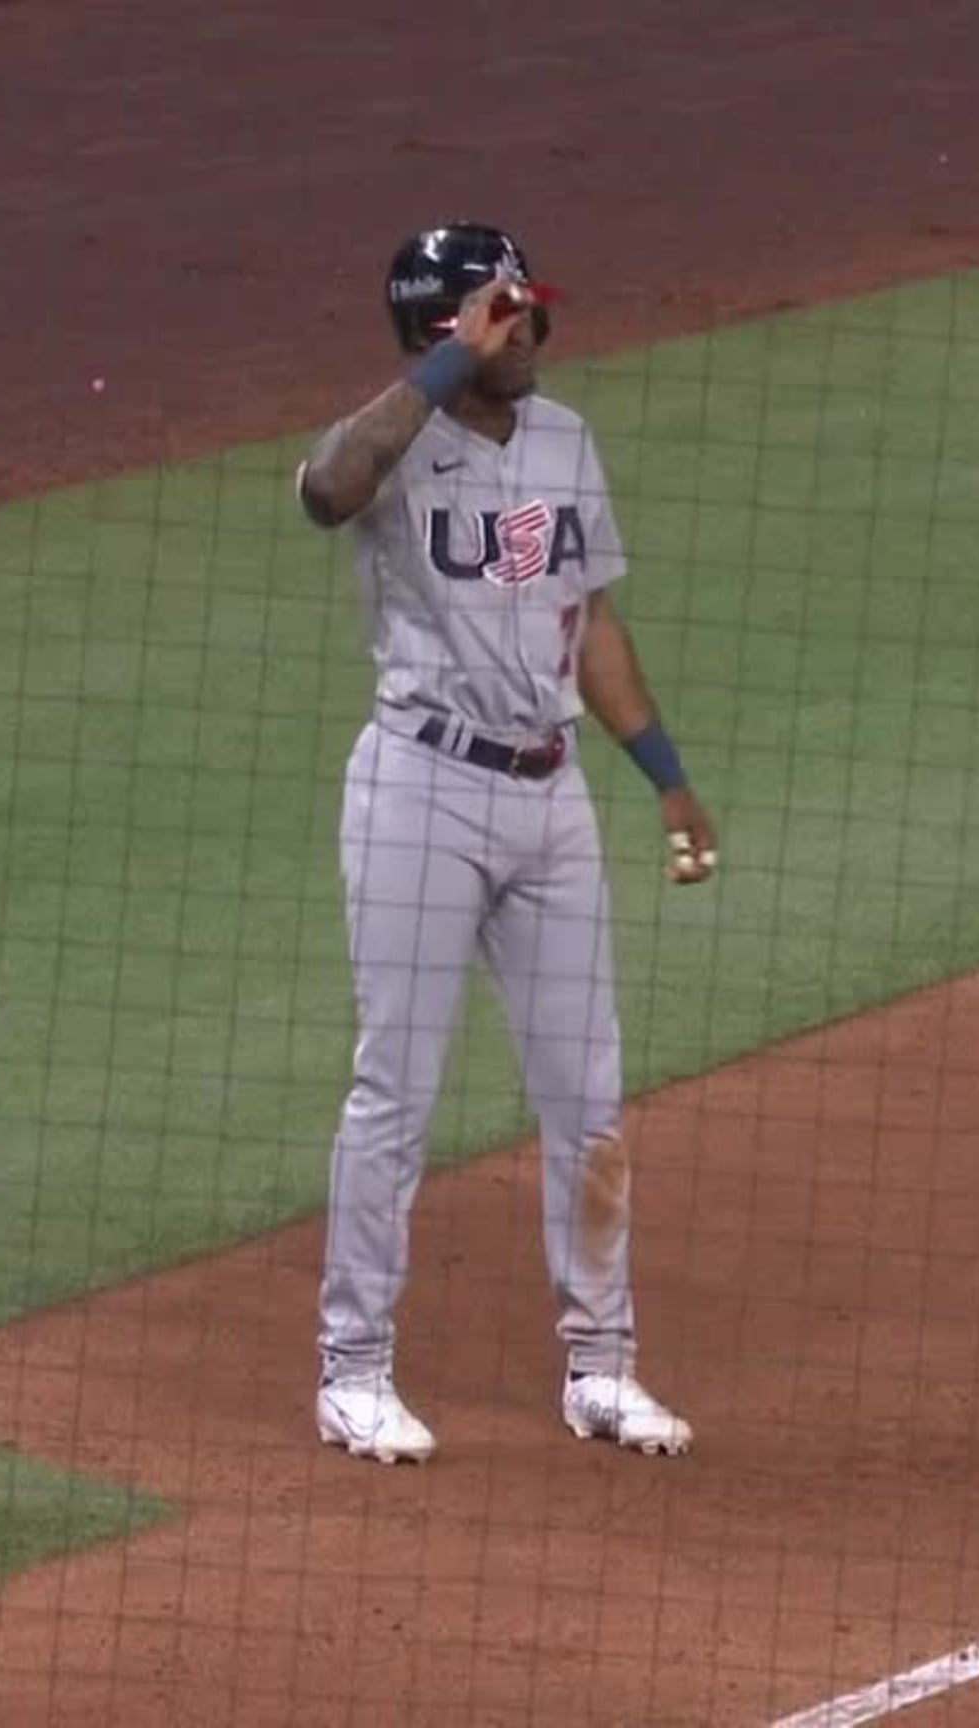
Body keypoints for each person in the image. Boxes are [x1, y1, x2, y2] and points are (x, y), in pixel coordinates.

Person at [291, 222, 715, 1463]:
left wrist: (666, 778)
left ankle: (602, 1367)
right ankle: (352, 1371)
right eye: (503, 311)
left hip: (551, 795)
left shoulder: (564, 441)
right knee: (396, 1095)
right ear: (445, 328)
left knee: (589, 1101)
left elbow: (589, 623)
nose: (528, 328)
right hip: (420, 787)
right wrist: (435, 372)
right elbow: (325, 489)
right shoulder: (394, 442)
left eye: (529, 308)